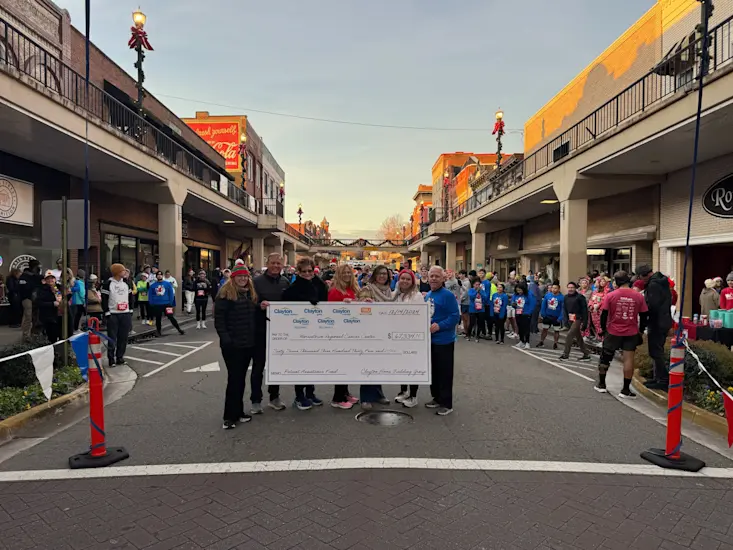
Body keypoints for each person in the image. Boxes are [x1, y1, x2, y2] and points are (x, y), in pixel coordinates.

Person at [214, 265, 259, 430]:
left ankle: (239, 412)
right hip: (232, 346)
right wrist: (226, 340)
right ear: (233, 278)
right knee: (234, 380)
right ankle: (229, 416)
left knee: (240, 380)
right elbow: (219, 321)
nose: (243, 279)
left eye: (245, 277)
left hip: (248, 344)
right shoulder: (225, 295)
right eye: (239, 276)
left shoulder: (250, 295)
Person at [282, 257, 328, 410]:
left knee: (312, 363)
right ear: (299, 272)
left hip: (316, 330)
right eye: (304, 271)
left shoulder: (320, 284)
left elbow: (326, 303)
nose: (308, 274)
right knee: (300, 364)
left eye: (310, 271)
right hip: (299, 331)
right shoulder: (293, 287)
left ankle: (310, 393)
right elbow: (286, 304)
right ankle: (299, 395)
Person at [595, 270, 648, 398]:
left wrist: (603, 329)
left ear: (617, 282)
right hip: (631, 331)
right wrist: (640, 330)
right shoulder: (638, 296)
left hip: (613, 331)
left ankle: (602, 384)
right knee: (628, 359)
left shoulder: (611, 295)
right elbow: (644, 315)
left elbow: (604, 314)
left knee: (605, 357)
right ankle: (625, 390)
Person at [251, 253, 289, 414]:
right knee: (258, 367)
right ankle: (255, 400)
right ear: (267, 263)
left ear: (282, 266)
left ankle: (274, 397)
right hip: (260, 330)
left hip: (279, 332)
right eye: (273, 263)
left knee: (276, 367)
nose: (276, 266)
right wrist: (258, 305)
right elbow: (248, 302)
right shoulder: (256, 282)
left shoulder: (285, 281)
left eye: (279, 264)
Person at [424, 266, 460, 416]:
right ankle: (437, 398)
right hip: (430, 341)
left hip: (444, 340)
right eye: (431, 276)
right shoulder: (428, 295)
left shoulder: (448, 295)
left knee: (445, 373)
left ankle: (446, 403)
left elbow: (454, 316)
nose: (433, 278)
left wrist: (440, 326)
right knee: (433, 372)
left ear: (443, 278)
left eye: (436, 276)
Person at [358, 265, 393, 410]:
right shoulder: (368, 289)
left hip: (383, 332)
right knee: (368, 366)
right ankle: (365, 398)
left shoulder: (389, 291)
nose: (382, 276)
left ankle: (378, 394)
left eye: (385, 274)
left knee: (379, 365)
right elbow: (360, 308)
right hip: (369, 332)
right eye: (380, 274)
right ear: (374, 275)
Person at [327, 264, 361, 409]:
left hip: (353, 332)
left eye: (349, 272)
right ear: (339, 274)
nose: (347, 274)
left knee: (348, 365)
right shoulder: (335, 291)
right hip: (339, 333)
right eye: (344, 272)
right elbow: (330, 313)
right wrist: (342, 305)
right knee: (340, 366)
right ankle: (337, 398)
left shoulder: (354, 289)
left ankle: (345, 393)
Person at [636, 265, 672, 391]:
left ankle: (663, 380)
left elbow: (651, 306)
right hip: (664, 320)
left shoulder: (653, 285)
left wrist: (644, 322)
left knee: (656, 351)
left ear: (644, 275)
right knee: (657, 350)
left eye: (640, 277)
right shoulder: (661, 281)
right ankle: (657, 378)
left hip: (657, 322)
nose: (641, 280)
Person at [392, 269, 426, 408]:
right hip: (398, 335)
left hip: (412, 336)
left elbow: (420, 316)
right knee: (402, 365)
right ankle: (403, 391)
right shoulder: (396, 295)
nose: (404, 281)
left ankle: (413, 395)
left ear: (412, 281)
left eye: (408, 279)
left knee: (413, 366)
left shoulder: (417, 296)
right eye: (402, 278)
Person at [101, 263, 134, 366]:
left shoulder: (126, 283)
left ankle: (120, 357)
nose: (125, 272)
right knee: (112, 337)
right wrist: (106, 312)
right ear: (117, 272)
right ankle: (111, 359)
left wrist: (131, 309)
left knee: (123, 337)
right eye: (123, 270)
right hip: (113, 314)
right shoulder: (108, 283)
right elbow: (104, 299)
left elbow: (130, 297)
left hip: (125, 313)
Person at [559, 281, 591, 362]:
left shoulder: (580, 297)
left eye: (572, 287)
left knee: (569, 335)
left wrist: (585, 322)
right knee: (578, 337)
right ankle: (586, 354)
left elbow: (584, 310)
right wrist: (565, 320)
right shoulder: (566, 297)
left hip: (578, 318)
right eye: (569, 287)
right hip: (570, 319)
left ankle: (566, 355)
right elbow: (565, 309)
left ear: (575, 288)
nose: (570, 289)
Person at [148, 270, 185, 337]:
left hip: (167, 304)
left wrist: (170, 302)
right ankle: (158, 331)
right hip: (157, 304)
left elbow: (171, 293)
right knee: (158, 318)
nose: (159, 276)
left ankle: (179, 329)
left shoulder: (167, 284)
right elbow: (150, 295)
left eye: (160, 274)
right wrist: (151, 302)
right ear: (156, 276)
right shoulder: (153, 286)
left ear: (162, 276)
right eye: (158, 275)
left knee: (171, 317)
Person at [19, 260, 42, 341]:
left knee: (36, 316)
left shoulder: (37, 276)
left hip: (37, 299)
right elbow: (22, 288)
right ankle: (26, 335)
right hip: (27, 298)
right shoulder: (24, 276)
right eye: (37, 267)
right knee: (28, 316)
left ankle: (34, 334)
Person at [36, 271, 61, 343]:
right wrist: (52, 304)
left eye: (52, 278)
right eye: (48, 278)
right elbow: (39, 303)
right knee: (52, 337)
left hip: (59, 316)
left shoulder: (58, 288)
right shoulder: (42, 290)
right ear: (45, 280)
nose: (50, 280)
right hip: (48, 317)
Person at [537, 281, 564, 349]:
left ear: (558, 289)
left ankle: (555, 343)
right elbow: (544, 305)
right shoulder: (547, 295)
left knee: (556, 330)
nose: (554, 289)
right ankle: (542, 341)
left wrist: (560, 317)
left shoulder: (562, 297)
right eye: (553, 288)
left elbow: (563, 308)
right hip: (547, 316)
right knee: (544, 329)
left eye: (555, 288)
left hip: (556, 317)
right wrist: (543, 314)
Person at [512, 283, 535, 349]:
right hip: (518, 312)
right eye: (517, 290)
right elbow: (513, 301)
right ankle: (521, 341)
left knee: (526, 328)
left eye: (520, 290)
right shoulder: (515, 295)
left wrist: (529, 312)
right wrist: (513, 304)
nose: (519, 292)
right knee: (520, 327)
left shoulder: (529, 294)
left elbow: (532, 304)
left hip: (526, 313)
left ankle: (527, 342)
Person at [466, 278, 488, 343]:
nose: (477, 286)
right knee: (472, 323)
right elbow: (471, 297)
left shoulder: (482, 291)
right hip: (473, 309)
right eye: (476, 284)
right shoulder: (471, 290)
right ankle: (468, 334)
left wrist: (480, 291)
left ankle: (477, 336)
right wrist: (476, 291)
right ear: (473, 285)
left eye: (478, 284)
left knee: (480, 323)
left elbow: (485, 298)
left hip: (481, 309)